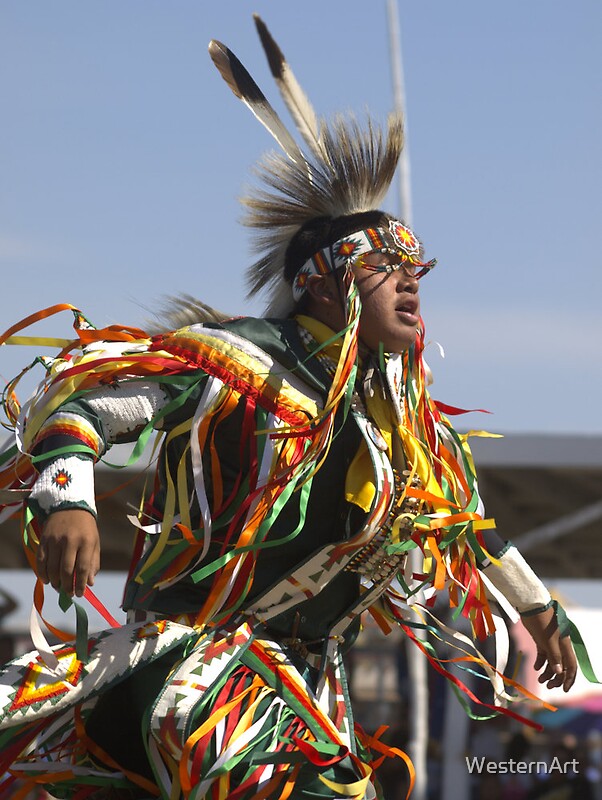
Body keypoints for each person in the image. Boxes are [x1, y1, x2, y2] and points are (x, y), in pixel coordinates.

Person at [0, 16, 580, 800]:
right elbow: (85, 409)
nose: (410, 283)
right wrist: (66, 498)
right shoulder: (239, 364)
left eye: (417, 269)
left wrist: (539, 610)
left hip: (306, 693)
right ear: (319, 280)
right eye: (384, 265)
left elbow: (467, 524)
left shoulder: (405, 424)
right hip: (197, 677)